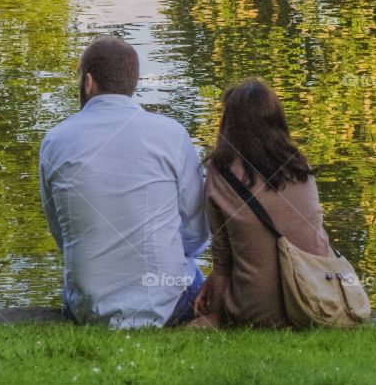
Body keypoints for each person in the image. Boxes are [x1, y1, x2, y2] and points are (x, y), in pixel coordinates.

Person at [39, 36, 208, 328]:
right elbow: (196, 230)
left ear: (88, 82)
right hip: (168, 301)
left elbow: (62, 234)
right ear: (133, 84)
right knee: (194, 278)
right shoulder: (171, 134)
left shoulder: (56, 140)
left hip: (89, 307)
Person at [192, 80, 332, 329]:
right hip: (317, 299)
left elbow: (223, 254)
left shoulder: (222, 171)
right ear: (276, 119)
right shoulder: (298, 164)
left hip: (254, 310)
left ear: (230, 124)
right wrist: (212, 283)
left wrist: (215, 314)